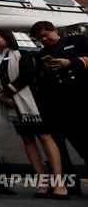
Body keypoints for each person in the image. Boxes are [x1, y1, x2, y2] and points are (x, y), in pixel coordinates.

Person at [0, 29, 68, 199]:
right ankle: (42, 182)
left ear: (7, 39)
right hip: (12, 106)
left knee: (45, 137)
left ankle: (60, 182)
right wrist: (1, 96)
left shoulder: (22, 54)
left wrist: (8, 93)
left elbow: (27, 75)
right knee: (27, 140)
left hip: (32, 103)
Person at [30, 21, 88, 195]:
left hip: (80, 101)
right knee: (60, 150)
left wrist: (71, 63)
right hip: (55, 105)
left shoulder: (78, 40)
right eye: (40, 38)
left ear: (54, 30)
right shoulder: (42, 54)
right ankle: (70, 186)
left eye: (46, 35)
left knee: (85, 145)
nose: (44, 39)